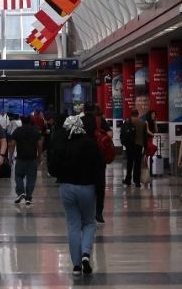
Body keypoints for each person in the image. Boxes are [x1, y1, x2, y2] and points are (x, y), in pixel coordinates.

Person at [48, 112, 104, 275]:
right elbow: (99, 168)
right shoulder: (91, 144)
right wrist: (100, 191)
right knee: (89, 223)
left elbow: (52, 168)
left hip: (66, 188)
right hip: (87, 188)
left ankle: (76, 265)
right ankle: (86, 253)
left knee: (73, 225)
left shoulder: (62, 145)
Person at [10, 112, 44, 206]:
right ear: (30, 121)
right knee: (31, 178)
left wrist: (10, 157)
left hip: (20, 158)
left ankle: (21, 192)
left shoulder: (17, 130)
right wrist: (39, 156)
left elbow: (12, 144)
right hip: (32, 158)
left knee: (18, 176)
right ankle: (28, 197)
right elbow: (39, 145)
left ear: (21, 121)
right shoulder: (35, 131)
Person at [90, 115, 117, 223]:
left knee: (87, 185)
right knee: (100, 186)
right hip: (100, 157)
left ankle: (88, 212)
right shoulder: (100, 120)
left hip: (86, 158)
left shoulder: (81, 120)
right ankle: (98, 213)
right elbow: (110, 134)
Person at [122, 113, 150, 188]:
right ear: (137, 114)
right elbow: (145, 136)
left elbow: (123, 133)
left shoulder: (128, 121)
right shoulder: (142, 123)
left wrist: (124, 143)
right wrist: (146, 147)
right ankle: (137, 182)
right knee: (137, 164)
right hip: (139, 145)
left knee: (129, 163)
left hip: (129, 145)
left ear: (132, 114)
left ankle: (128, 180)